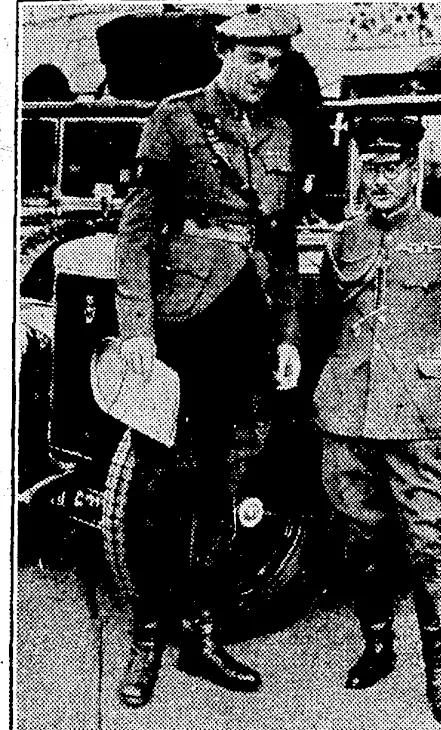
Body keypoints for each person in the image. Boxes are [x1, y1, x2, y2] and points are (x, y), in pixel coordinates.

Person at [114, 7, 305, 707]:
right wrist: (138, 329)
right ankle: (146, 643)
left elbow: (279, 246)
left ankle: (199, 635)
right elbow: (136, 231)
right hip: (181, 322)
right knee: (161, 490)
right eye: (254, 58)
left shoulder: (282, 130)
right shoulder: (175, 116)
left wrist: (286, 336)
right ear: (223, 50)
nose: (265, 72)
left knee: (225, 486)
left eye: (276, 60)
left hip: (246, 328)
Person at [314, 116, 441, 725]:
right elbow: (324, 318)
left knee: (430, 546)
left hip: (418, 411)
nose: (379, 180)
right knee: (359, 535)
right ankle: (375, 646)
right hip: (345, 411)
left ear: (415, 169)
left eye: (392, 166)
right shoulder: (342, 243)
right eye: (369, 167)